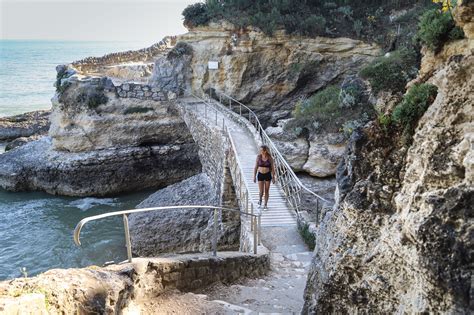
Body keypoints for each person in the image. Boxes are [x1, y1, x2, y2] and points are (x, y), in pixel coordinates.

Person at [253, 145, 276, 210]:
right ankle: (260, 200)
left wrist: (273, 177)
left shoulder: (270, 158)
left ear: (265, 151)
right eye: (260, 150)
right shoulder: (258, 157)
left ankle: (265, 205)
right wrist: (254, 176)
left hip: (268, 175)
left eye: (261, 150)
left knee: (266, 190)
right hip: (260, 174)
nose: (260, 151)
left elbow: (272, 168)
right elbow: (256, 167)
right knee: (261, 191)